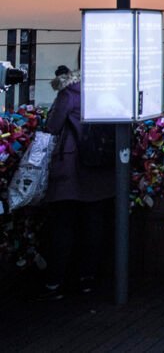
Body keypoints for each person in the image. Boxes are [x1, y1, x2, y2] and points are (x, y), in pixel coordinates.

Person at [38, 65, 115, 301]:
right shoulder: (110, 88)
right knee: (94, 224)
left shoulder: (70, 91)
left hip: (70, 168)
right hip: (100, 167)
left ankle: (56, 282)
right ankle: (87, 280)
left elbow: (53, 126)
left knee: (63, 225)